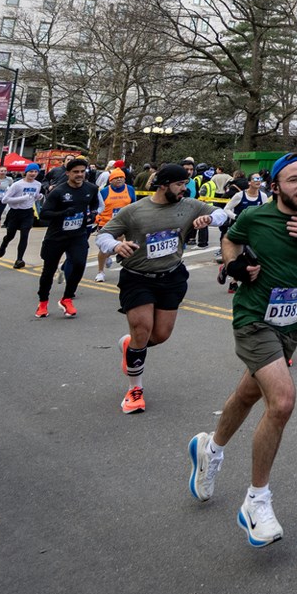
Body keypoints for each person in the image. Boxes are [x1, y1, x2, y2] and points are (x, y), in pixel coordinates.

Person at [186, 153, 297, 548]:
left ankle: (210, 449)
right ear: (276, 187)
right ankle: (256, 502)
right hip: (254, 318)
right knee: (283, 401)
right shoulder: (256, 217)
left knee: (247, 393)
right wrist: (235, 266)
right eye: (294, 180)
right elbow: (230, 240)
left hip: (293, 323)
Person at [98, 163, 216, 415]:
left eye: (185, 184)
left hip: (171, 276)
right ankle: (135, 390)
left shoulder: (189, 205)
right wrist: (116, 246)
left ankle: (130, 346)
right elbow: (103, 235)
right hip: (138, 277)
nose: (184, 189)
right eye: (179, 184)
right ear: (163, 185)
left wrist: (210, 218)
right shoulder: (135, 211)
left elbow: (224, 214)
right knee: (142, 329)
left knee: (161, 334)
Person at [34, 158, 99, 319]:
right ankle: (43, 302)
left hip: (78, 235)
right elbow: (44, 214)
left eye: (82, 171)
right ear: (68, 173)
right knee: (48, 271)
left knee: (79, 264)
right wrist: (63, 213)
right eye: (76, 172)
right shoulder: (58, 191)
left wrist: (92, 214)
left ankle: (67, 299)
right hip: (56, 237)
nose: (79, 175)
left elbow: (94, 204)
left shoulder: (91, 188)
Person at [0, 164, 44, 268]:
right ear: (26, 172)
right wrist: (22, 198)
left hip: (28, 213)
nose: (33, 174)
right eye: (31, 171)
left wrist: (39, 196)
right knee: (11, 235)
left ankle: (19, 259)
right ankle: (4, 245)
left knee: (24, 236)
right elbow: (5, 200)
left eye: (35, 172)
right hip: (15, 213)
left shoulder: (37, 184)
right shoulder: (17, 185)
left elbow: (34, 196)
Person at [94, 167, 134, 283]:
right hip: (106, 223)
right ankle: (100, 272)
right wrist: (97, 217)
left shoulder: (129, 189)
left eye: (121, 177)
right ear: (110, 180)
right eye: (116, 178)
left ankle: (107, 257)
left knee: (118, 246)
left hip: (122, 223)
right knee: (103, 249)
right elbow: (97, 206)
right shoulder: (104, 191)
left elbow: (134, 204)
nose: (119, 179)